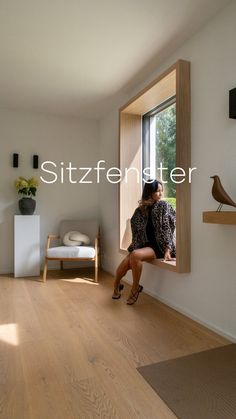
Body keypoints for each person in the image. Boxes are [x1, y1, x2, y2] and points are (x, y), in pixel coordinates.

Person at [112, 179, 176, 305]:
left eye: (161, 191)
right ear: (149, 192)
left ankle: (135, 288)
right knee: (122, 267)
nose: (161, 194)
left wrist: (168, 248)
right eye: (158, 191)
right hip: (144, 246)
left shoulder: (163, 206)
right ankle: (116, 286)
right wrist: (135, 245)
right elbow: (135, 229)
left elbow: (169, 227)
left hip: (159, 246)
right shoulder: (140, 211)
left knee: (135, 255)